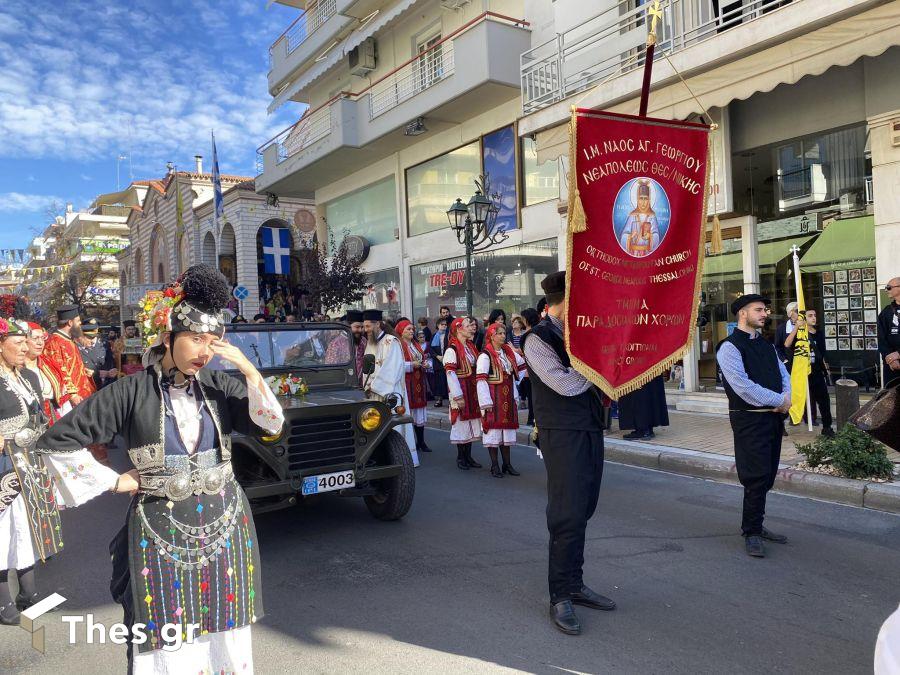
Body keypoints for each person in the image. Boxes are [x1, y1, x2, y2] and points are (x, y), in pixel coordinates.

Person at [33, 264, 284, 672]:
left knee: (225, 626)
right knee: (165, 630)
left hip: (227, 529)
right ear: (168, 338)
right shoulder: (131, 391)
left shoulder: (220, 387)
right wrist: (114, 479)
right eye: (196, 339)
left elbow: (272, 425)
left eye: (212, 341)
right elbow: (55, 441)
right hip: (159, 532)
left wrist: (249, 370)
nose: (205, 350)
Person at [0, 318, 116, 626]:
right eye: (18, 343)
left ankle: (28, 596)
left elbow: (42, 413)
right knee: (4, 531)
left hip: (32, 462)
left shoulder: (28, 376)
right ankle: (3, 602)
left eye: (27, 342)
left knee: (30, 527)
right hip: (4, 467)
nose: (25, 348)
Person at [521, 271, 614, 636]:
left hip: (589, 428)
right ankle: (560, 595)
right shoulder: (536, 339)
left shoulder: (582, 334)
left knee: (585, 506)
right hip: (560, 433)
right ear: (564, 300)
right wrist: (600, 371)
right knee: (567, 512)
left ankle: (575, 583)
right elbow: (563, 383)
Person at [715, 294, 791, 559]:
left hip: (772, 418)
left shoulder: (767, 345)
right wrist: (779, 400)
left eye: (765, 309)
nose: (764, 313)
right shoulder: (729, 347)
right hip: (749, 419)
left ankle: (757, 522)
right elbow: (743, 387)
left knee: (768, 474)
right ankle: (752, 532)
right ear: (742, 314)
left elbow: (783, 374)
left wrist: (787, 398)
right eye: (758, 309)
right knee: (755, 475)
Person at [362, 310, 418, 466]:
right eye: (364, 326)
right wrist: (365, 386)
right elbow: (367, 369)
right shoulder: (370, 342)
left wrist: (373, 387)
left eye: (368, 326)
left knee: (391, 426)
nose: (366, 329)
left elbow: (392, 370)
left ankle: (396, 460)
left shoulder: (391, 342)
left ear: (378, 324)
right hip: (372, 393)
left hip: (389, 393)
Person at [476, 323, 526, 477]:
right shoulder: (485, 355)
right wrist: (486, 402)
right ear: (492, 335)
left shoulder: (508, 352)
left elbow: (522, 366)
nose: (503, 336)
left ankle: (507, 464)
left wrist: (516, 384)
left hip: (508, 397)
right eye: (500, 333)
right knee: (494, 432)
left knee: (507, 432)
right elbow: (481, 380)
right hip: (493, 398)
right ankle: (495, 465)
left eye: (504, 333)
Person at [784, 308, 834, 436]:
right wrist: (796, 327)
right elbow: (787, 343)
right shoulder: (800, 333)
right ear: (804, 318)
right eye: (810, 316)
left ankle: (827, 428)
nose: (813, 318)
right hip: (800, 372)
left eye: (815, 315)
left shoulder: (819, 333)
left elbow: (822, 354)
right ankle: (780, 424)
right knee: (795, 399)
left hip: (816, 371)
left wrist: (826, 368)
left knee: (823, 400)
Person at [444, 317, 483, 471]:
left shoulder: (470, 346)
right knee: (461, 423)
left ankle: (468, 456)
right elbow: (450, 374)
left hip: (471, 390)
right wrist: (457, 396)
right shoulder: (452, 349)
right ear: (459, 329)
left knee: (471, 422)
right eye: (468, 326)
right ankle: (461, 457)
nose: (471, 328)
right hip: (460, 389)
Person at [43, 305, 96, 406]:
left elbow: (70, 365)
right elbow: (57, 370)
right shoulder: (54, 342)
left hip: (82, 395)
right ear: (70, 323)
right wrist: (72, 394)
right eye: (78, 321)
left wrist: (83, 370)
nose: (80, 323)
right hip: (72, 400)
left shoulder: (68, 339)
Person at [23, 322, 71, 422]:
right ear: (24, 340)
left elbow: (63, 400)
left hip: (52, 420)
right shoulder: (14, 368)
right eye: (35, 338)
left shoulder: (49, 364)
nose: (40, 342)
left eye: (42, 338)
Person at [396, 319, 431, 453]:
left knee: (419, 413)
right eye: (408, 329)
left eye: (412, 329)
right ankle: (409, 444)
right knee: (409, 412)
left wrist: (425, 364)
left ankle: (421, 442)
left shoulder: (415, 344)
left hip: (419, 382)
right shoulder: (398, 345)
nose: (412, 331)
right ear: (401, 331)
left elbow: (422, 358)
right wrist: (411, 365)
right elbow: (396, 365)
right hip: (407, 383)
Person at [619, 179, 660, 258]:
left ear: (649, 200)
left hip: (648, 254)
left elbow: (656, 235)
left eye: (646, 199)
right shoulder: (632, 215)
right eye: (641, 198)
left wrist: (650, 236)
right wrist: (630, 236)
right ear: (637, 199)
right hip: (632, 253)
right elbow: (624, 235)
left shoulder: (652, 216)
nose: (643, 202)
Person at [78, 318, 116, 389]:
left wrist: (112, 371)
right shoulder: (76, 347)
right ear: (82, 335)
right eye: (88, 337)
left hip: (105, 386)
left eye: (94, 337)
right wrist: (98, 374)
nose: (92, 341)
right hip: (86, 386)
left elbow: (110, 362)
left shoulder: (104, 344)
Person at [518, 308, 541, 427]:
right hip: (530, 371)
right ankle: (532, 418)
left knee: (533, 398)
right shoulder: (536, 332)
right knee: (533, 398)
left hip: (530, 371)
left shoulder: (529, 334)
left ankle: (532, 419)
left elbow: (525, 351)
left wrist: (515, 350)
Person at [877, 277, 900, 387]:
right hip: (892, 367)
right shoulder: (886, 312)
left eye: (889, 287)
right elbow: (881, 338)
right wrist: (890, 358)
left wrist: (899, 354)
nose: (886, 290)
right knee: (891, 400)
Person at [430, 317, 449, 407]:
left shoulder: (449, 335)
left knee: (448, 381)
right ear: (438, 325)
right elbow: (430, 348)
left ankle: (451, 400)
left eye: (445, 324)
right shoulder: (434, 335)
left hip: (447, 360)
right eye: (442, 324)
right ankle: (439, 400)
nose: (444, 326)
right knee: (439, 382)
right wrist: (437, 356)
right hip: (438, 361)